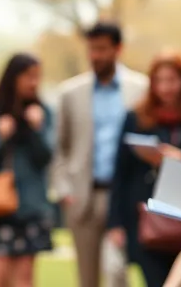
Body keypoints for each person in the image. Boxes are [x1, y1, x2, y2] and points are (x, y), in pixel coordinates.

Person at [51, 22, 149, 287]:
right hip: (82, 198)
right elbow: (60, 148)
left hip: (124, 197)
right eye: (91, 49)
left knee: (118, 273)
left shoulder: (140, 89)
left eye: (102, 49)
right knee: (87, 278)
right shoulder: (70, 93)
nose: (95, 56)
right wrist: (64, 190)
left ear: (118, 49)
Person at [106, 50, 181, 287]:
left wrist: (180, 158)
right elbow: (120, 172)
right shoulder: (137, 117)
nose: (166, 88)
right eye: (160, 81)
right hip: (146, 219)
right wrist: (115, 223)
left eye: (172, 80)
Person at [0, 54, 55, 287]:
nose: (34, 82)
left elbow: (47, 158)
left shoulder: (42, 111)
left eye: (37, 77)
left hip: (31, 206)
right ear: (13, 77)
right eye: (29, 76)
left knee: (24, 279)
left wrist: (37, 129)